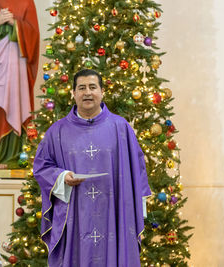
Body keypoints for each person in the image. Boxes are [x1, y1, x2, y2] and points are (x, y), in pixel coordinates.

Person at [33, 69, 152, 266]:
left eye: (92, 87)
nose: (87, 93)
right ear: (73, 94)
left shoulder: (120, 128)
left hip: (114, 212)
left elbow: (137, 170)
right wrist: (62, 177)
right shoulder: (57, 131)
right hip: (74, 215)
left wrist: (138, 211)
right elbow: (41, 167)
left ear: (102, 92)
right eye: (81, 88)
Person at [0, 0, 40, 169]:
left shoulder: (27, 3)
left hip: (17, 67)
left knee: (16, 107)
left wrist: (15, 24)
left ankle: (15, 157)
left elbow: (34, 34)